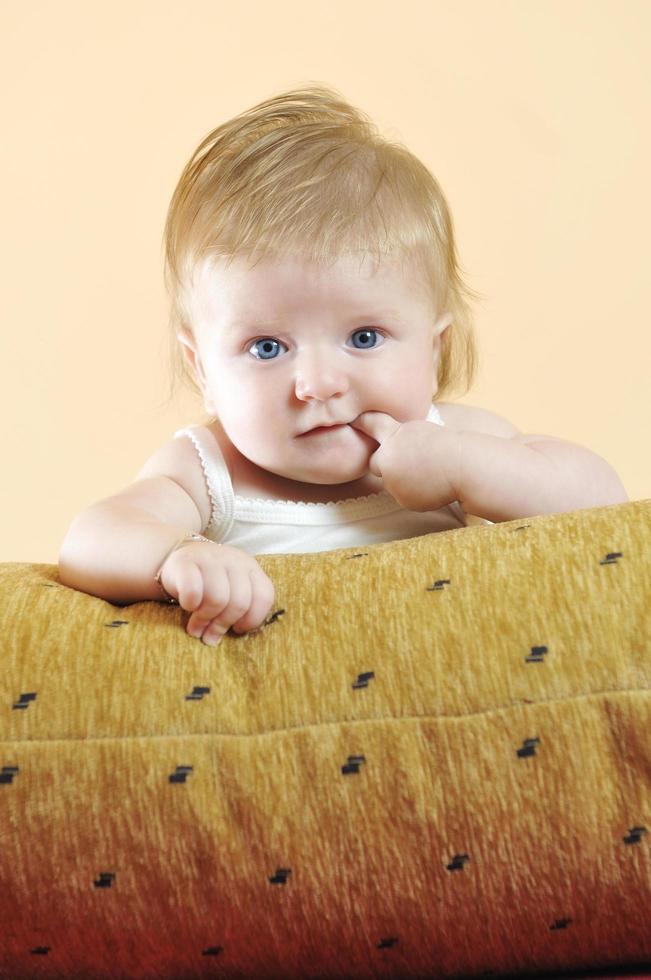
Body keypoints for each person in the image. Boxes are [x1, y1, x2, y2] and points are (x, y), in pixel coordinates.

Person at [57, 84, 629, 648]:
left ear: (433, 352)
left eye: (363, 337)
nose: (319, 385)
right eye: (267, 348)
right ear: (202, 370)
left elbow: (603, 503)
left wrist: (466, 467)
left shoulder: (454, 441)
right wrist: (176, 555)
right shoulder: (209, 475)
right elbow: (89, 540)